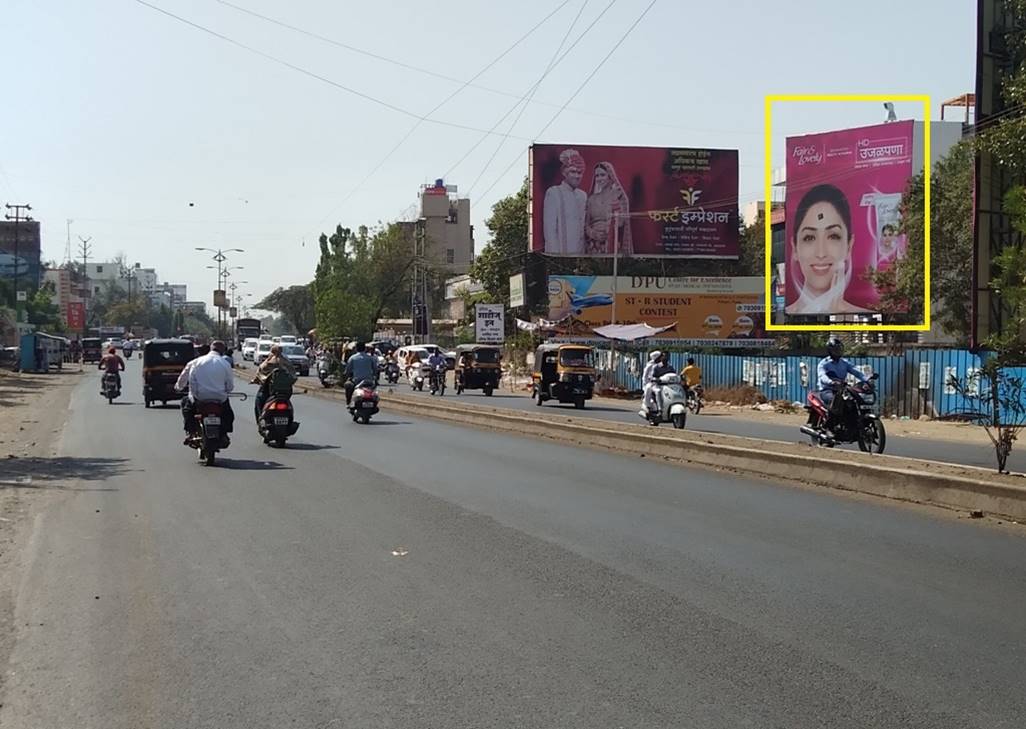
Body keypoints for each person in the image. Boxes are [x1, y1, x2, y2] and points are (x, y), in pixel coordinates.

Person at [785, 184, 871, 315]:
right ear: (795, 248)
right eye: (809, 238)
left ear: (849, 245)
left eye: (833, 236)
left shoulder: (868, 316)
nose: (821, 253)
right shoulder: (783, 317)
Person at [176, 340, 235, 442]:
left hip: (200, 398)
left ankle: (191, 432)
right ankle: (224, 433)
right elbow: (229, 386)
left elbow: (189, 379)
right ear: (223, 351)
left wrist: (179, 388)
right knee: (228, 414)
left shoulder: (196, 362)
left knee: (187, 409)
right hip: (219, 398)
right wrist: (224, 392)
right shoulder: (225, 364)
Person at [816, 336, 868, 430]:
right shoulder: (824, 363)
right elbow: (822, 376)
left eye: (839, 349)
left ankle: (851, 424)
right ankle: (829, 427)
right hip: (827, 390)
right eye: (836, 350)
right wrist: (831, 382)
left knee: (852, 402)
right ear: (830, 351)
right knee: (836, 402)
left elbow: (856, 371)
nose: (838, 352)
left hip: (842, 389)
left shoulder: (844, 362)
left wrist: (866, 380)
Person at [542, 148, 587, 254]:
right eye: (573, 172)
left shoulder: (582, 195)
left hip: (580, 255)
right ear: (564, 172)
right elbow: (550, 229)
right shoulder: (554, 193)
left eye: (580, 172)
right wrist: (555, 255)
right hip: (560, 254)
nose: (577, 176)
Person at [584, 161, 633, 255]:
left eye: (602, 175)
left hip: (612, 245)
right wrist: (594, 234)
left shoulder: (619, 196)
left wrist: (614, 199)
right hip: (593, 246)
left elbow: (621, 223)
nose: (599, 179)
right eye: (597, 176)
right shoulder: (591, 199)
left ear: (610, 176)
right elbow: (586, 225)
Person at [252, 344, 296, 420]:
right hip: (286, 393)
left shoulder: (269, 362)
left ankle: (260, 419)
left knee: (258, 401)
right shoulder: (287, 362)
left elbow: (260, 372)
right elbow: (293, 375)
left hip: (269, 392)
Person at [343, 341, 378, 405]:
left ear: (356, 349)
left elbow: (347, 371)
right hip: (369, 381)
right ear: (365, 348)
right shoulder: (370, 358)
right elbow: (375, 370)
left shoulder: (353, 358)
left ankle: (348, 403)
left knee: (347, 385)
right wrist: (375, 378)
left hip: (356, 381)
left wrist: (346, 376)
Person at [639, 351, 664, 416]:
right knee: (648, 389)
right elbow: (645, 376)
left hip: (661, 382)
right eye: (660, 357)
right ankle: (648, 406)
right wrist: (645, 384)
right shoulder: (650, 365)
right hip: (652, 383)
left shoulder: (662, 364)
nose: (661, 358)